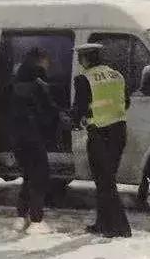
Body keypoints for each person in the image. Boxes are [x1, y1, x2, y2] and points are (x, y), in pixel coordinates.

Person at [71, 43, 131, 237]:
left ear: (86, 58)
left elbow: (79, 108)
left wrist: (73, 120)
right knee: (107, 180)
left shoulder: (83, 79)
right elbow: (125, 101)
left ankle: (120, 227)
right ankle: (103, 223)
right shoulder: (117, 75)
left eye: (81, 57)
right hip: (119, 131)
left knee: (104, 182)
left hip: (99, 134)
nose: (80, 61)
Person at [9, 47, 68, 234]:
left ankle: (21, 216)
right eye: (46, 60)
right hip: (34, 136)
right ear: (39, 61)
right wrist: (60, 118)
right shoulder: (39, 83)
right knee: (40, 177)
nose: (48, 64)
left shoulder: (16, 81)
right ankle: (36, 220)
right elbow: (47, 110)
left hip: (17, 136)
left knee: (28, 176)